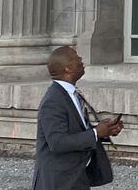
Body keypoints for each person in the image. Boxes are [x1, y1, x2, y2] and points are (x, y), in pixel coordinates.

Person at [34, 44, 123, 189]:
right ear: (67, 68)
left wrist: (104, 131)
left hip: (76, 176)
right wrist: (95, 133)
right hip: (59, 181)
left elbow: (75, 132)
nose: (81, 59)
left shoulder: (71, 94)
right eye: (76, 57)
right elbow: (57, 142)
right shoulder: (53, 101)